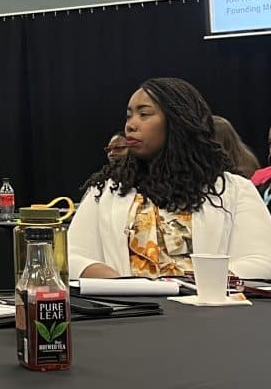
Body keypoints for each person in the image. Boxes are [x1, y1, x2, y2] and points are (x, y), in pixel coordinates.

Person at [70, 78, 271, 279]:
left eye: (144, 114)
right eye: (129, 116)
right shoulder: (108, 190)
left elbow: (262, 260)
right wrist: (109, 278)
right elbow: (73, 256)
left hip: (209, 307)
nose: (130, 125)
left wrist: (210, 282)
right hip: (131, 307)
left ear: (178, 121)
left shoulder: (234, 189)